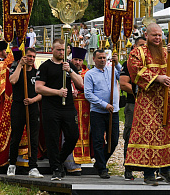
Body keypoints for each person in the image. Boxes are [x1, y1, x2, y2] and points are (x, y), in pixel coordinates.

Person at [125, 23, 170, 186]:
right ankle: (148, 173)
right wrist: (157, 78)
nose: (158, 38)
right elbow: (135, 71)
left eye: (160, 35)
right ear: (146, 35)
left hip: (168, 101)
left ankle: (167, 169)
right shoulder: (138, 52)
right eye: (154, 35)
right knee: (149, 135)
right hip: (148, 103)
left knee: (168, 132)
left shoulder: (166, 50)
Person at [35, 38, 84, 181]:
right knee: (52, 138)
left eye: (64, 50)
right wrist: (57, 92)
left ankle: (60, 160)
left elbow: (80, 83)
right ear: (52, 50)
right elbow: (38, 88)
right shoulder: (45, 66)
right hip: (51, 107)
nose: (61, 52)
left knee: (73, 135)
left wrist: (70, 72)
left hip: (68, 107)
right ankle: (56, 168)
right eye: (59, 50)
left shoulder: (68, 65)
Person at [84, 48, 121, 179]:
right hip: (98, 112)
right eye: (99, 58)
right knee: (99, 140)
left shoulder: (112, 70)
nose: (102, 60)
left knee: (114, 140)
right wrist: (104, 104)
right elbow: (88, 94)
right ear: (94, 59)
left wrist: (117, 64)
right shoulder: (90, 74)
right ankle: (102, 168)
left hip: (113, 111)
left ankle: (101, 162)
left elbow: (122, 76)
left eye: (104, 58)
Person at [6, 48, 43, 178]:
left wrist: (33, 100)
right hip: (18, 106)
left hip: (32, 107)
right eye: (29, 56)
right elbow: (12, 81)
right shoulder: (16, 68)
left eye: (33, 57)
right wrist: (20, 66)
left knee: (33, 138)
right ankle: (12, 164)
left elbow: (41, 93)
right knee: (16, 136)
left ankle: (33, 167)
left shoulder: (37, 73)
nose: (31, 59)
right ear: (24, 57)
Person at [120, 36, 146, 180]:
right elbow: (123, 84)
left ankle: (149, 169)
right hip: (133, 103)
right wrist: (140, 92)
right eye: (141, 45)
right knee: (130, 135)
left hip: (149, 106)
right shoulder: (128, 63)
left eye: (145, 45)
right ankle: (128, 169)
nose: (144, 47)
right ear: (134, 47)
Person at [64, 47, 90, 176]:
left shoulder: (88, 73)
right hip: (69, 107)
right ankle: (70, 164)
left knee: (84, 134)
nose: (77, 62)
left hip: (85, 108)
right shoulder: (65, 72)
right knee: (70, 134)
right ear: (71, 59)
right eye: (75, 59)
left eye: (80, 60)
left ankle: (83, 160)